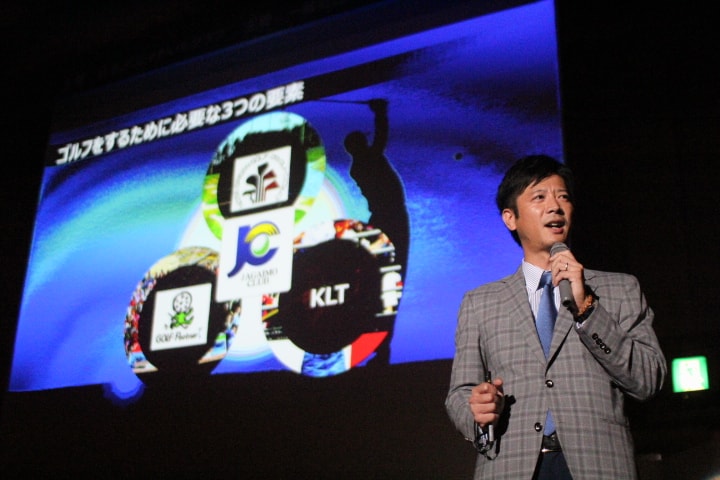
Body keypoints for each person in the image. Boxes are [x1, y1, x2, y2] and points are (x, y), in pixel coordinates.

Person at [445, 154, 666, 479]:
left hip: (599, 465)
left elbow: (648, 379)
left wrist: (587, 308)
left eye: (563, 197)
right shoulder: (480, 302)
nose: (555, 207)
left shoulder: (620, 289)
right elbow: (460, 394)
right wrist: (477, 411)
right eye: (539, 197)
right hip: (511, 466)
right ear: (510, 218)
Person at [345, 98, 410, 365]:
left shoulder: (360, 163)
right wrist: (380, 111)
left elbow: (378, 139)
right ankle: (380, 346)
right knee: (391, 278)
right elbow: (381, 135)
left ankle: (380, 346)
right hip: (390, 219)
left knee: (386, 280)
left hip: (383, 220)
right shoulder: (366, 160)